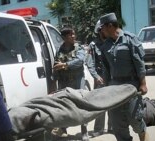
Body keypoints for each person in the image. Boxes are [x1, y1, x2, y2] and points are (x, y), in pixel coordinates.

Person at [99, 13, 149, 141]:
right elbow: (106, 69)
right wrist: (105, 89)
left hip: (131, 86)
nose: (101, 30)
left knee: (136, 120)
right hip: (114, 88)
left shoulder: (130, 39)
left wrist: (143, 83)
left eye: (102, 27)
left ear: (110, 26)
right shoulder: (105, 46)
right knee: (117, 124)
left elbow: (139, 63)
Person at [51, 27, 89, 141]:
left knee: (81, 105)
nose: (73, 36)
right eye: (70, 35)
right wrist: (54, 83)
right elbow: (56, 66)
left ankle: (84, 130)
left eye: (74, 34)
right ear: (64, 37)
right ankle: (63, 129)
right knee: (64, 106)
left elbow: (80, 61)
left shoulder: (79, 48)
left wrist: (64, 65)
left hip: (78, 81)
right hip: (64, 82)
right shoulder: (59, 50)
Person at [86, 20, 113, 137]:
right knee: (100, 105)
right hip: (100, 79)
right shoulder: (93, 45)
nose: (107, 30)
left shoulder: (112, 43)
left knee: (113, 103)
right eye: (104, 28)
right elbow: (90, 63)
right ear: (100, 30)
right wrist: (96, 76)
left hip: (112, 78)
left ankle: (112, 127)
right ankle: (98, 129)